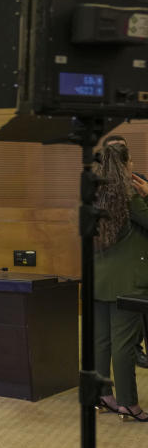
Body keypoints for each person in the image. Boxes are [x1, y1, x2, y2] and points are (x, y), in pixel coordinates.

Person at [92, 141, 148, 421]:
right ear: (127, 163)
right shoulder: (130, 196)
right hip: (128, 282)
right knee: (124, 344)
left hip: (98, 279)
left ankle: (103, 396)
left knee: (101, 342)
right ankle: (128, 404)